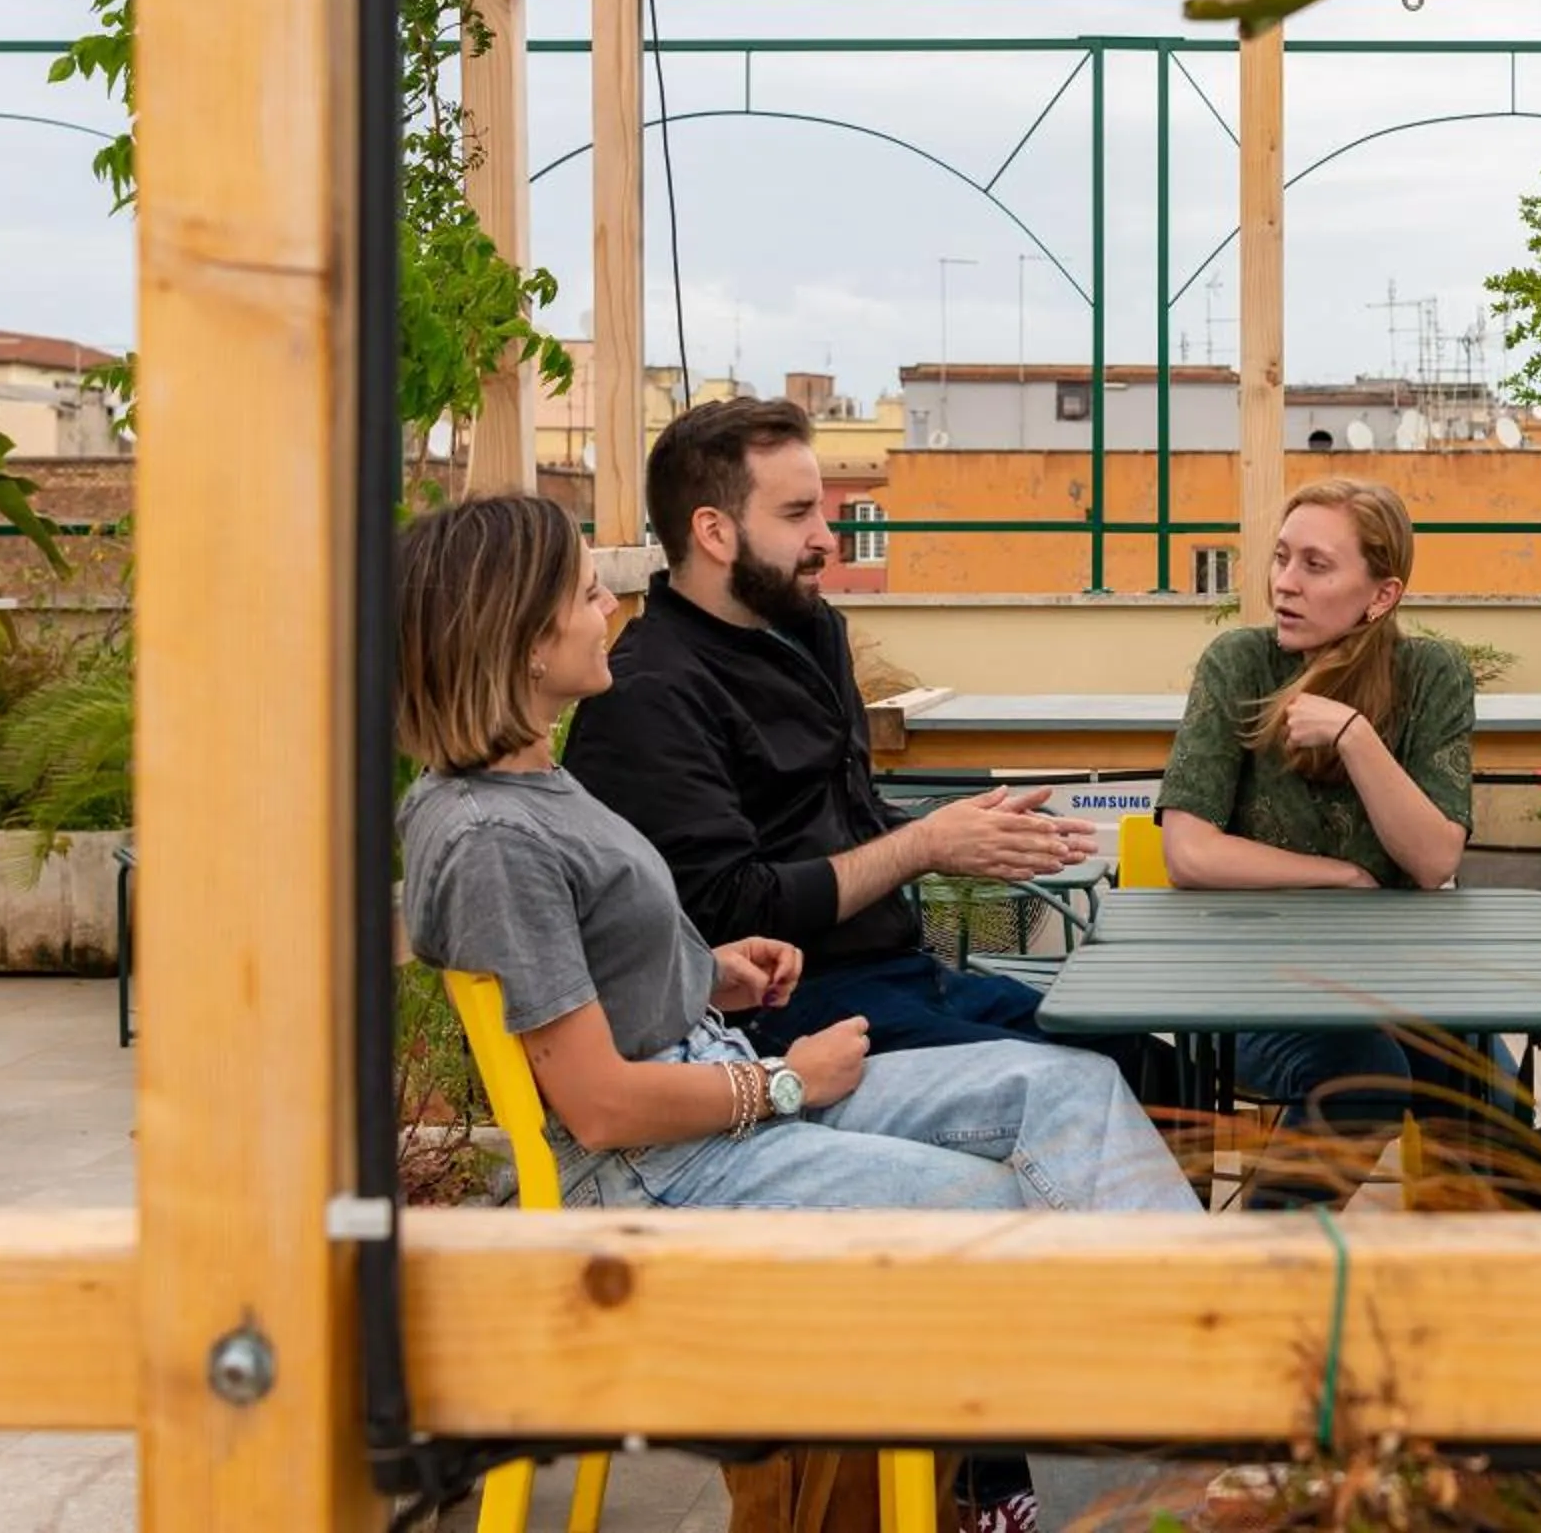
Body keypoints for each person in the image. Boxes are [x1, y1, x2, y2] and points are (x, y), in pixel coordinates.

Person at [393, 493, 1197, 1224]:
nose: (610, 606)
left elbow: (579, 962)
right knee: (1005, 1209)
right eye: (586, 593)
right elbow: (599, 1106)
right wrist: (788, 1083)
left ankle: (1211, 1318)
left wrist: (703, 971)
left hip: (717, 1090)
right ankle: (1199, 1325)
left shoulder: (532, 785)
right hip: (661, 1164)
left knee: (1072, 1088)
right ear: (526, 640)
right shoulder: (493, 838)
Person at [562, 398, 1158, 1090]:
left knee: (1144, 1058)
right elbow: (727, 910)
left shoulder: (809, 631)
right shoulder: (650, 693)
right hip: (781, 1018)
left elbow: (844, 821)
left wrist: (971, 838)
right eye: (798, 514)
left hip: (900, 977)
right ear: (715, 532)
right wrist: (923, 845)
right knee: (1083, 1083)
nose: (827, 539)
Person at [1155, 478, 1494, 1206]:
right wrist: (1337, 874)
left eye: (1315, 565)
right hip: (1250, 983)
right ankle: (1270, 1263)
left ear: (1382, 595)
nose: (1285, 583)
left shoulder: (1431, 676)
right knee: (1365, 1077)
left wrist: (1355, 736)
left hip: (1400, 978)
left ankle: (1472, 1265)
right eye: (1282, 558)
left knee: (1484, 1085)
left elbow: (1433, 860)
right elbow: (1189, 852)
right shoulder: (1238, 664)